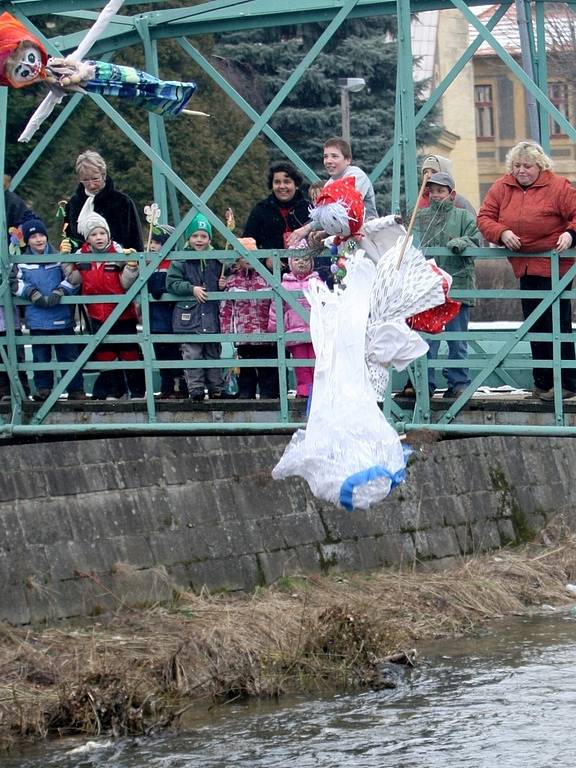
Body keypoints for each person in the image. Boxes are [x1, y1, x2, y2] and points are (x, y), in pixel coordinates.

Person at [477, 139, 576, 401]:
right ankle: (542, 383)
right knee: (534, 323)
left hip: (555, 265)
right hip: (525, 265)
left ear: (540, 167)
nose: (521, 170)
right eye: (517, 165)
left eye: (528, 166)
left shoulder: (557, 186)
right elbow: (484, 217)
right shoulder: (503, 186)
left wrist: (570, 235)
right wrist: (502, 232)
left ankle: (568, 382)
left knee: (557, 324)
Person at [403, 171, 480, 400]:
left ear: (451, 194)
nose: (436, 195)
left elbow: (476, 239)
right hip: (428, 288)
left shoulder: (464, 217)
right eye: (432, 191)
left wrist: (461, 243)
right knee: (426, 337)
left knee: (457, 338)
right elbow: (409, 244)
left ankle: (459, 383)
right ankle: (424, 383)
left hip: (457, 285)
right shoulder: (420, 217)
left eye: (441, 191)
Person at [75, 211, 145, 400]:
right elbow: (74, 279)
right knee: (105, 355)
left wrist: (131, 267)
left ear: (108, 234)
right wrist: (66, 260)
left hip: (122, 313)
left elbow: (125, 284)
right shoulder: (81, 256)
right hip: (96, 314)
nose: (99, 237)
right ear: (87, 238)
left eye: (102, 233)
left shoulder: (119, 254)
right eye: (94, 234)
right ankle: (115, 391)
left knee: (129, 353)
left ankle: (138, 392)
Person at [14, 218, 86, 401]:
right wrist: (31, 293)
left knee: (69, 356)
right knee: (41, 358)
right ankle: (43, 389)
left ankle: (76, 390)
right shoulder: (22, 262)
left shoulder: (59, 257)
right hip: (37, 319)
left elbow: (74, 278)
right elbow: (15, 282)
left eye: (41, 235)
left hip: (61, 316)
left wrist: (61, 290)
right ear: (27, 240)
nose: (39, 240)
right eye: (34, 237)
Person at [167, 213, 224, 401]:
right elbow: (172, 283)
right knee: (192, 355)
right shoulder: (181, 260)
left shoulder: (216, 260)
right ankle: (196, 390)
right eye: (195, 236)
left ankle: (216, 389)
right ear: (188, 238)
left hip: (211, 315)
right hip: (189, 316)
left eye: (203, 236)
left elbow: (223, 278)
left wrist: (223, 283)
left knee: (213, 353)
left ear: (209, 239)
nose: (199, 240)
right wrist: (191, 289)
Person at [287, 137, 377, 246]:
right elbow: (330, 217)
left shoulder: (356, 176)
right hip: (348, 242)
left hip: (369, 236)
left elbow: (344, 211)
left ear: (348, 160)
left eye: (334, 156)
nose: (329, 161)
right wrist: (324, 233)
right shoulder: (329, 184)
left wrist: (307, 228)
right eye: (326, 157)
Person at [220, 238, 280, 399]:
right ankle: (246, 394)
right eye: (244, 255)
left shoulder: (267, 277)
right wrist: (226, 329)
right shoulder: (232, 279)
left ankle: (270, 395)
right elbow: (226, 306)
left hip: (266, 333)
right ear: (238, 258)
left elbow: (276, 304)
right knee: (246, 369)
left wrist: (276, 327)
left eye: (252, 255)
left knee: (268, 369)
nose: (248, 259)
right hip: (243, 335)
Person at [64, 150, 144, 251]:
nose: (91, 185)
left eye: (95, 179)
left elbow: (135, 241)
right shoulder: (72, 204)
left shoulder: (123, 202)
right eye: (85, 180)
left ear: (104, 175)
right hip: (82, 265)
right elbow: (69, 240)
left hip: (118, 263)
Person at [268, 251, 320, 398]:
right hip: (294, 332)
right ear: (290, 264)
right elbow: (276, 308)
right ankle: (304, 389)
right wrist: (274, 329)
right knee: (301, 364)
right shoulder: (284, 285)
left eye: (305, 259)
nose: (301, 262)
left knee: (316, 362)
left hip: (314, 331)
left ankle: (318, 389)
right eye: (296, 259)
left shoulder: (317, 282)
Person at [243, 161, 311, 270]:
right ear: (272, 185)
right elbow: (247, 243)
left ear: (296, 185)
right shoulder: (260, 210)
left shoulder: (309, 209)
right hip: (269, 277)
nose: (282, 186)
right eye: (277, 182)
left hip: (306, 274)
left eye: (287, 182)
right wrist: (265, 259)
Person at [147, 225, 188, 399]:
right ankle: (167, 387)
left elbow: (174, 284)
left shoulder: (174, 263)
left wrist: (161, 288)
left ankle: (180, 387)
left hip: (171, 317)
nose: (151, 246)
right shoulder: (149, 263)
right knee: (161, 353)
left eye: (156, 242)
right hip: (156, 318)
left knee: (176, 353)